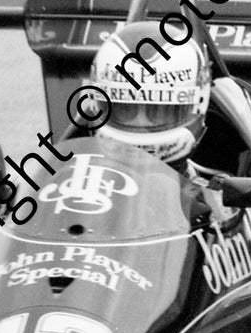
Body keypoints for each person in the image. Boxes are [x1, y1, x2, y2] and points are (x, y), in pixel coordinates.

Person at [87, 23, 240, 227]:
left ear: (198, 105)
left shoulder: (213, 200)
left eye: (157, 111)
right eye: (125, 110)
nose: (140, 123)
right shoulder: (76, 185)